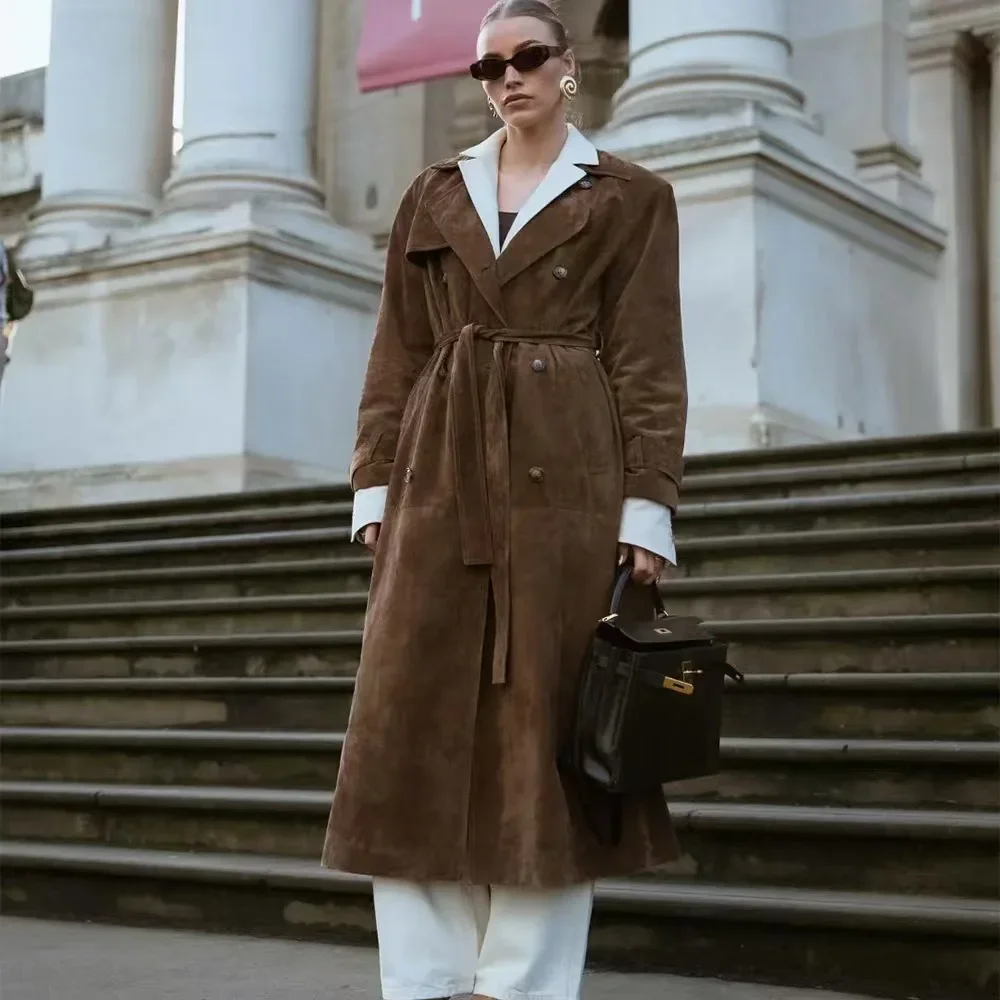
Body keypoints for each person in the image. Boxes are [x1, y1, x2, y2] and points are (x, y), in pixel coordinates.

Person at [322, 1, 687, 997]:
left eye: (528, 59)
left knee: (544, 740)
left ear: (569, 68)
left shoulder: (629, 196)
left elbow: (650, 362)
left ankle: (522, 985)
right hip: (438, 473)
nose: (508, 79)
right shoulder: (432, 192)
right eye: (488, 67)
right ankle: (426, 981)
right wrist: (374, 483)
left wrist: (646, 507)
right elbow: (396, 347)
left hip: (568, 478)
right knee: (410, 727)